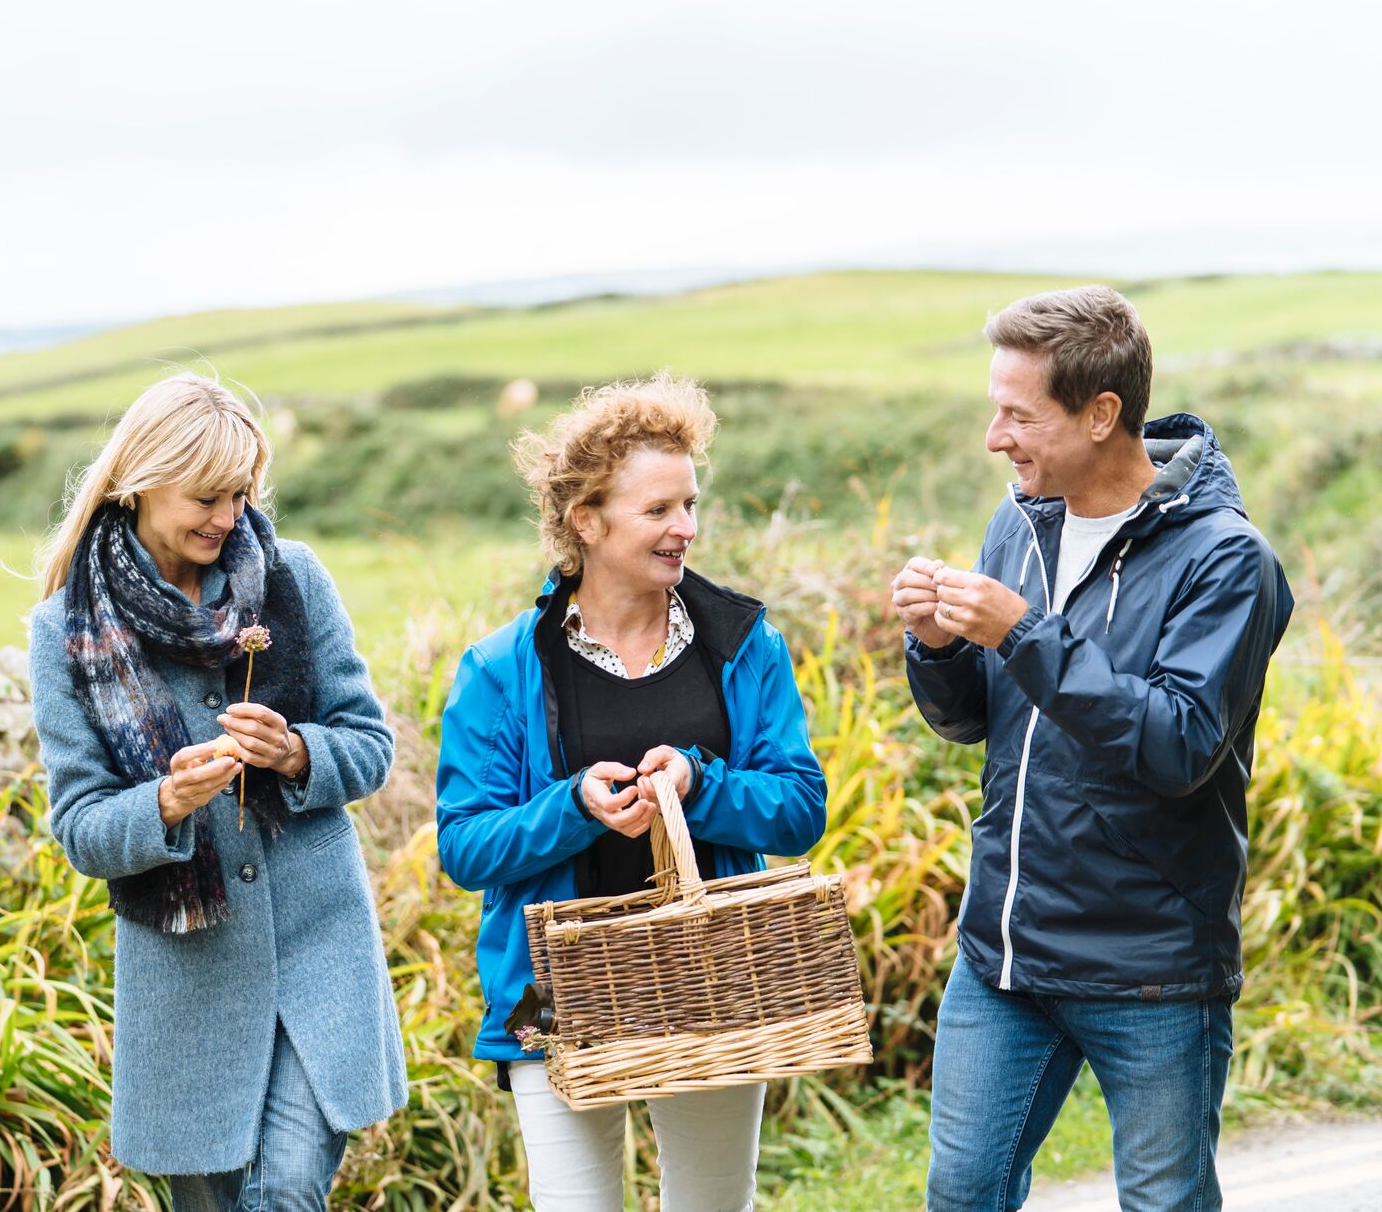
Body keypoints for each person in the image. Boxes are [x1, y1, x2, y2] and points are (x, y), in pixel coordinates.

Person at [892, 286, 1293, 1212]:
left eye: (1019, 415)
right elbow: (975, 721)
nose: (995, 437)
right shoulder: (1020, 521)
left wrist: (1021, 632)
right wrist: (938, 646)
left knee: (1163, 1202)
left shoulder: (1227, 561)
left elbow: (1178, 744)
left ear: (1102, 413)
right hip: (1004, 955)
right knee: (962, 1192)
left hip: (1152, 968)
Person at [435, 374, 828, 1212]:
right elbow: (464, 847)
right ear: (587, 519)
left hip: (715, 976)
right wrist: (573, 807)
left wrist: (701, 781)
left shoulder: (743, 643)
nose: (686, 527)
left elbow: (801, 806)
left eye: (690, 504)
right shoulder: (500, 669)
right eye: (658, 509)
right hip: (552, 996)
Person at [28, 373, 405, 1211]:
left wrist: (297, 752)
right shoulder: (64, 632)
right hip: (186, 991)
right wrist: (164, 802)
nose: (229, 517)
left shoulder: (294, 579)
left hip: (320, 959)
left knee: (289, 1188)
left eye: (240, 494)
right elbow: (82, 826)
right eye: (206, 497)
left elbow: (371, 744)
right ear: (140, 482)